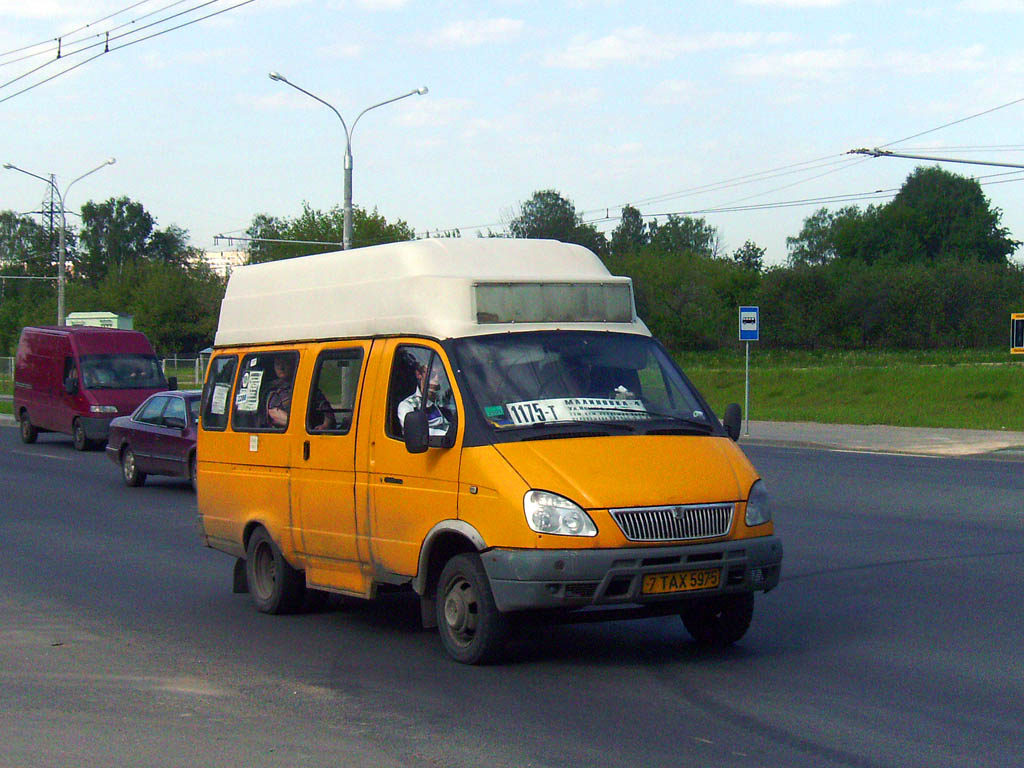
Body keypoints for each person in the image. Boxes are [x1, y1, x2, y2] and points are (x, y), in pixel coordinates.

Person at [396, 361, 450, 436]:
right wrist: (448, 435)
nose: (436, 379)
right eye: (431, 375)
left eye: (440, 376)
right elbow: (415, 432)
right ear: (418, 374)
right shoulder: (408, 405)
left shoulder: (445, 402)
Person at [265, 355, 294, 428]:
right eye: (278, 364)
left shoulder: (304, 384)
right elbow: (274, 413)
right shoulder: (273, 389)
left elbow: (323, 406)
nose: (281, 368)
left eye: (285, 363)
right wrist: (296, 425)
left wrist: (325, 424)